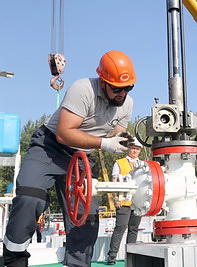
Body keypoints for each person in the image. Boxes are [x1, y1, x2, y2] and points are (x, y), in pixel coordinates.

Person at [3, 50, 136, 267]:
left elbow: (116, 135)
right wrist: (104, 143)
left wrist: (123, 141)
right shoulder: (83, 89)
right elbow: (64, 133)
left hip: (82, 158)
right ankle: (14, 259)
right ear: (103, 82)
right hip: (49, 148)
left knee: (86, 218)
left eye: (128, 88)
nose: (122, 94)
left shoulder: (127, 104)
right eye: (117, 89)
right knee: (30, 198)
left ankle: (77, 264)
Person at [106, 138, 143, 265]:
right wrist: (116, 199)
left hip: (137, 203)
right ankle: (112, 256)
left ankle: (131, 256)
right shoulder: (119, 163)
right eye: (133, 148)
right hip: (123, 202)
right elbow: (114, 181)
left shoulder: (143, 164)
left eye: (137, 149)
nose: (135, 151)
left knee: (134, 229)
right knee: (120, 228)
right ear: (128, 148)